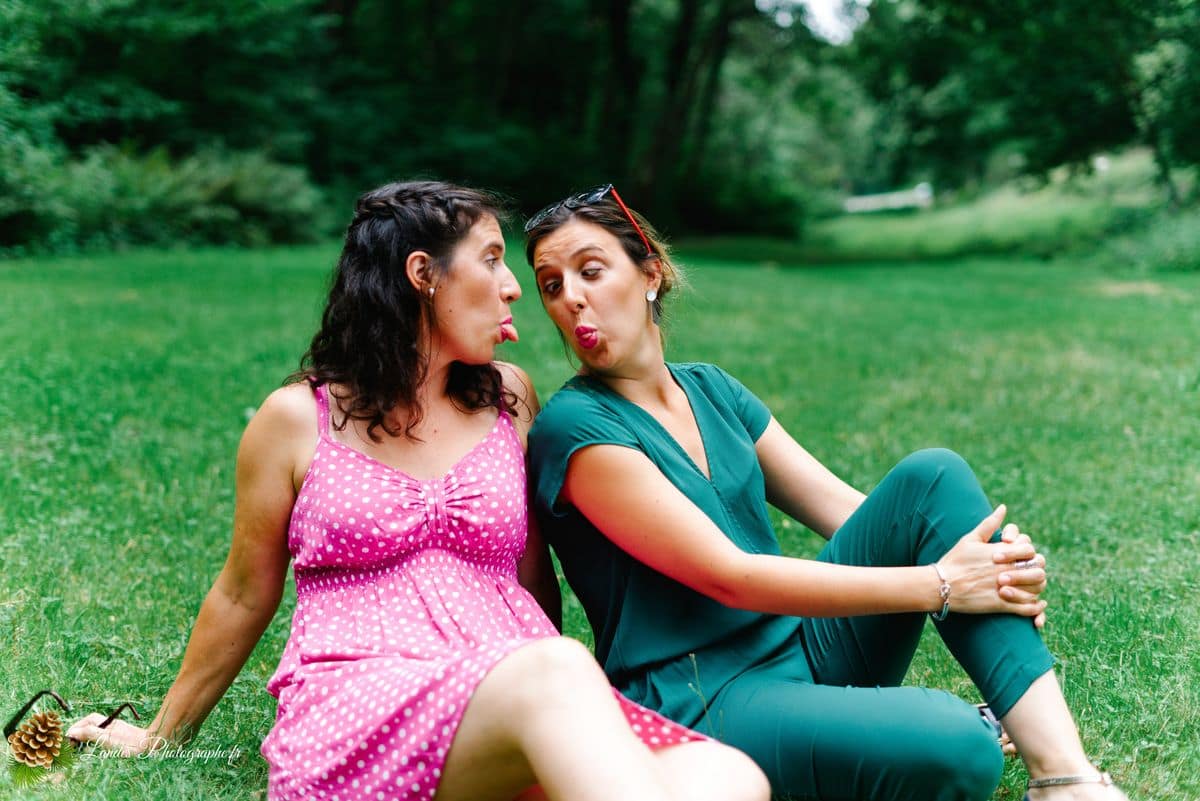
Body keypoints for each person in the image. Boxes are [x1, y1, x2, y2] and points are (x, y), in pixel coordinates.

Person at [68, 181, 770, 801]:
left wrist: (554, 704)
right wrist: (162, 732)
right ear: (422, 274)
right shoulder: (293, 420)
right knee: (561, 671)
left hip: (509, 701)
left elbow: (532, 576)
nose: (514, 285)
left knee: (733, 777)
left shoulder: (509, 399)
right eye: (493, 258)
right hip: (363, 704)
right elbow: (243, 593)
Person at [523, 184, 1130, 801]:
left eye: (591, 271)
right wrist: (948, 584)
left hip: (799, 645)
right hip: (702, 696)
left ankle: (1065, 779)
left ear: (650, 274)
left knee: (933, 480)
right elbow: (730, 577)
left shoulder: (712, 390)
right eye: (551, 286)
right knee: (960, 747)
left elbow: (858, 517)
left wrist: (994, 565)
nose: (572, 298)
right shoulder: (576, 429)